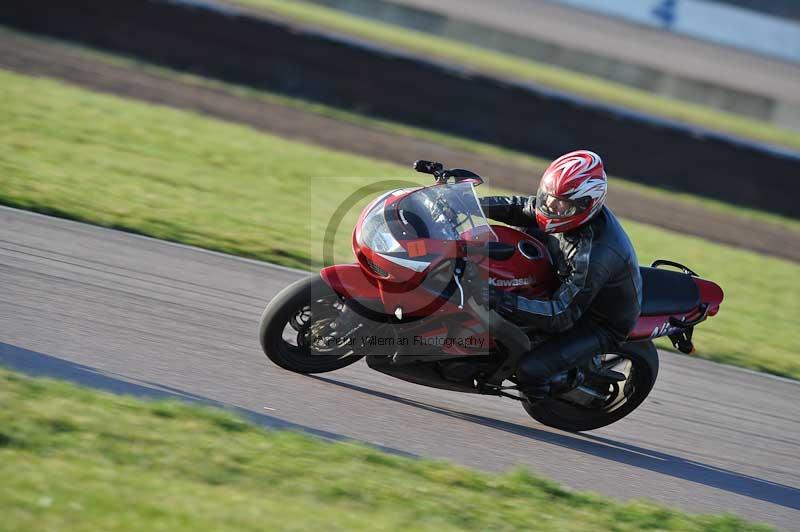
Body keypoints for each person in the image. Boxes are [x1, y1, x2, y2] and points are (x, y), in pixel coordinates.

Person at [479, 150, 642, 399]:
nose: (551, 206)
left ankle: (558, 390)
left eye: (562, 203)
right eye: (548, 197)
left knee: (530, 371)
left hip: (596, 321)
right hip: (566, 278)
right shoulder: (559, 209)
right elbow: (521, 207)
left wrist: (501, 300)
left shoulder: (594, 254)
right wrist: (467, 205)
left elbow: (561, 315)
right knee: (517, 235)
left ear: (586, 204)